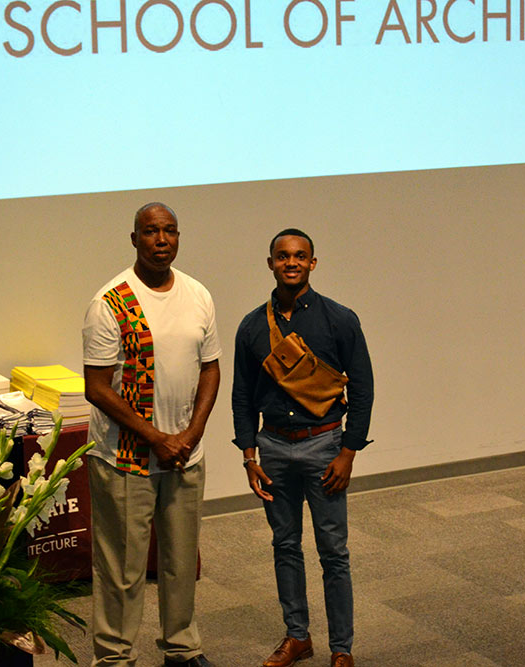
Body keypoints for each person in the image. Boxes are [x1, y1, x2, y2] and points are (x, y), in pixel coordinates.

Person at [83, 202, 221, 667]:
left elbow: (211, 368)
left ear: (178, 237)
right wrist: (157, 437)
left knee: (181, 564)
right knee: (122, 571)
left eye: (169, 232)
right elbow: (97, 388)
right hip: (126, 460)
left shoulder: (198, 294)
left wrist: (191, 433)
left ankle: (181, 648)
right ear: (134, 239)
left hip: (185, 456)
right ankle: (115, 657)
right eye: (150, 232)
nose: (161, 241)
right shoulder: (111, 302)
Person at [232, 229, 374, 667]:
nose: (290, 263)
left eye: (299, 256)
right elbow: (241, 394)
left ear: (313, 263)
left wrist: (348, 452)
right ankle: (298, 637)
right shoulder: (253, 325)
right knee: (285, 545)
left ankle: (341, 647)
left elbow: (364, 388)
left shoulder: (339, 319)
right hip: (272, 449)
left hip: (324, 447)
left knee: (333, 550)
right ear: (270, 263)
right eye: (282, 256)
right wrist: (249, 455)